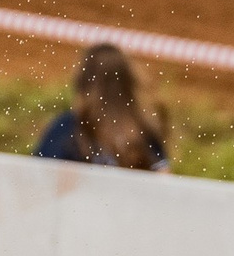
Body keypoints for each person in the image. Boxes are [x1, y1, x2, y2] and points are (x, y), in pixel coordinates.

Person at [34, 42, 169, 171]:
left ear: (82, 82)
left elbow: (37, 180)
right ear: (129, 83)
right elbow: (164, 185)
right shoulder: (144, 132)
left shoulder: (67, 128)